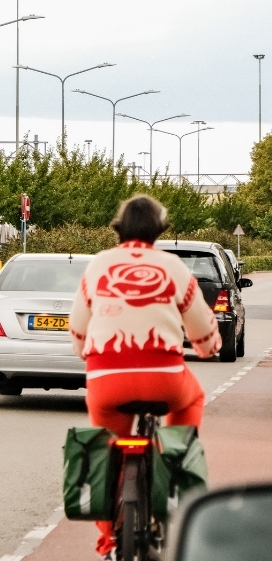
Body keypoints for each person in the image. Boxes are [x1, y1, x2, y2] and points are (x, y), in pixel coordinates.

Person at [68, 195, 220, 560]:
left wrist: (87, 351)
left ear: (118, 227)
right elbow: (201, 328)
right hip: (164, 378)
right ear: (160, 228)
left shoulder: (99, 264)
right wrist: (206, 347)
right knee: (193, 397)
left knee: (108, 453)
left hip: (106, 380)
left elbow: (78, 328)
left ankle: (107, 541)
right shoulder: (173, 266)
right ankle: (170, 456)